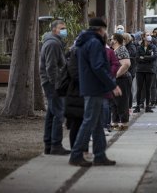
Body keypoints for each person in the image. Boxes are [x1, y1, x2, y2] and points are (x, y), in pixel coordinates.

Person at [69, 18, 122, 167]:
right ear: (100, 30)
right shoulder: (95, 43)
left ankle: (99, 155)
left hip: (90, 87)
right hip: (94, 88)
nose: (106, 33)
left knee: (97, 123)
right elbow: (98, 67)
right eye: (105, 30)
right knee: (89, 122)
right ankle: (76, 154)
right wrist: (112, 85)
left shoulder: (84, 41)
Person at [40, 19, 70, 155]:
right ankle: (56, 145)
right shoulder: (53, 44)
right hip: (53, 83)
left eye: (65, 28)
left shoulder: (54, 42)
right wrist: (56, 84)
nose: (64, 30)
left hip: (51, 82)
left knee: (52, 113)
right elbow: (51, 66)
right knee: (59, 113)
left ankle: (49, 144)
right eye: (61, 28)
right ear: (54, 30)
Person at [110, 33, 132, 131]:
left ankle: (124, 123)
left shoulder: (122, 49)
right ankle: (115, 122)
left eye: (112, 39)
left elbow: (126, 64)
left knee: (122, 101)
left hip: (122, 79)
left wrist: (116, 75)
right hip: (116, 80)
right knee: (114, 102)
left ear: (116, 40)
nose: (110, 40)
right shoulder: (114, 50)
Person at [133, 32, 157, 113]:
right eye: (147, 36)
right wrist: (147, 58)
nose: (149, 38)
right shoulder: (139, 47)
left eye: (149, 35)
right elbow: (137, 58)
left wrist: (143, 57)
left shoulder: (153, 47)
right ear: (143, 38)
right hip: (140, 70)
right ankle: (138, 105)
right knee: (139, 88)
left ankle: (147, 106)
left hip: (149, 70)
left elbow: (154, 57)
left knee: (148, 88)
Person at [122, 33, 137, 111]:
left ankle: (129, 106)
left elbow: (129, 57)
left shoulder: (131, 47)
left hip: (130, 70)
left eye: (123, 39)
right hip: (128, 70)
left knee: (128, 89)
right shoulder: (127, 46)